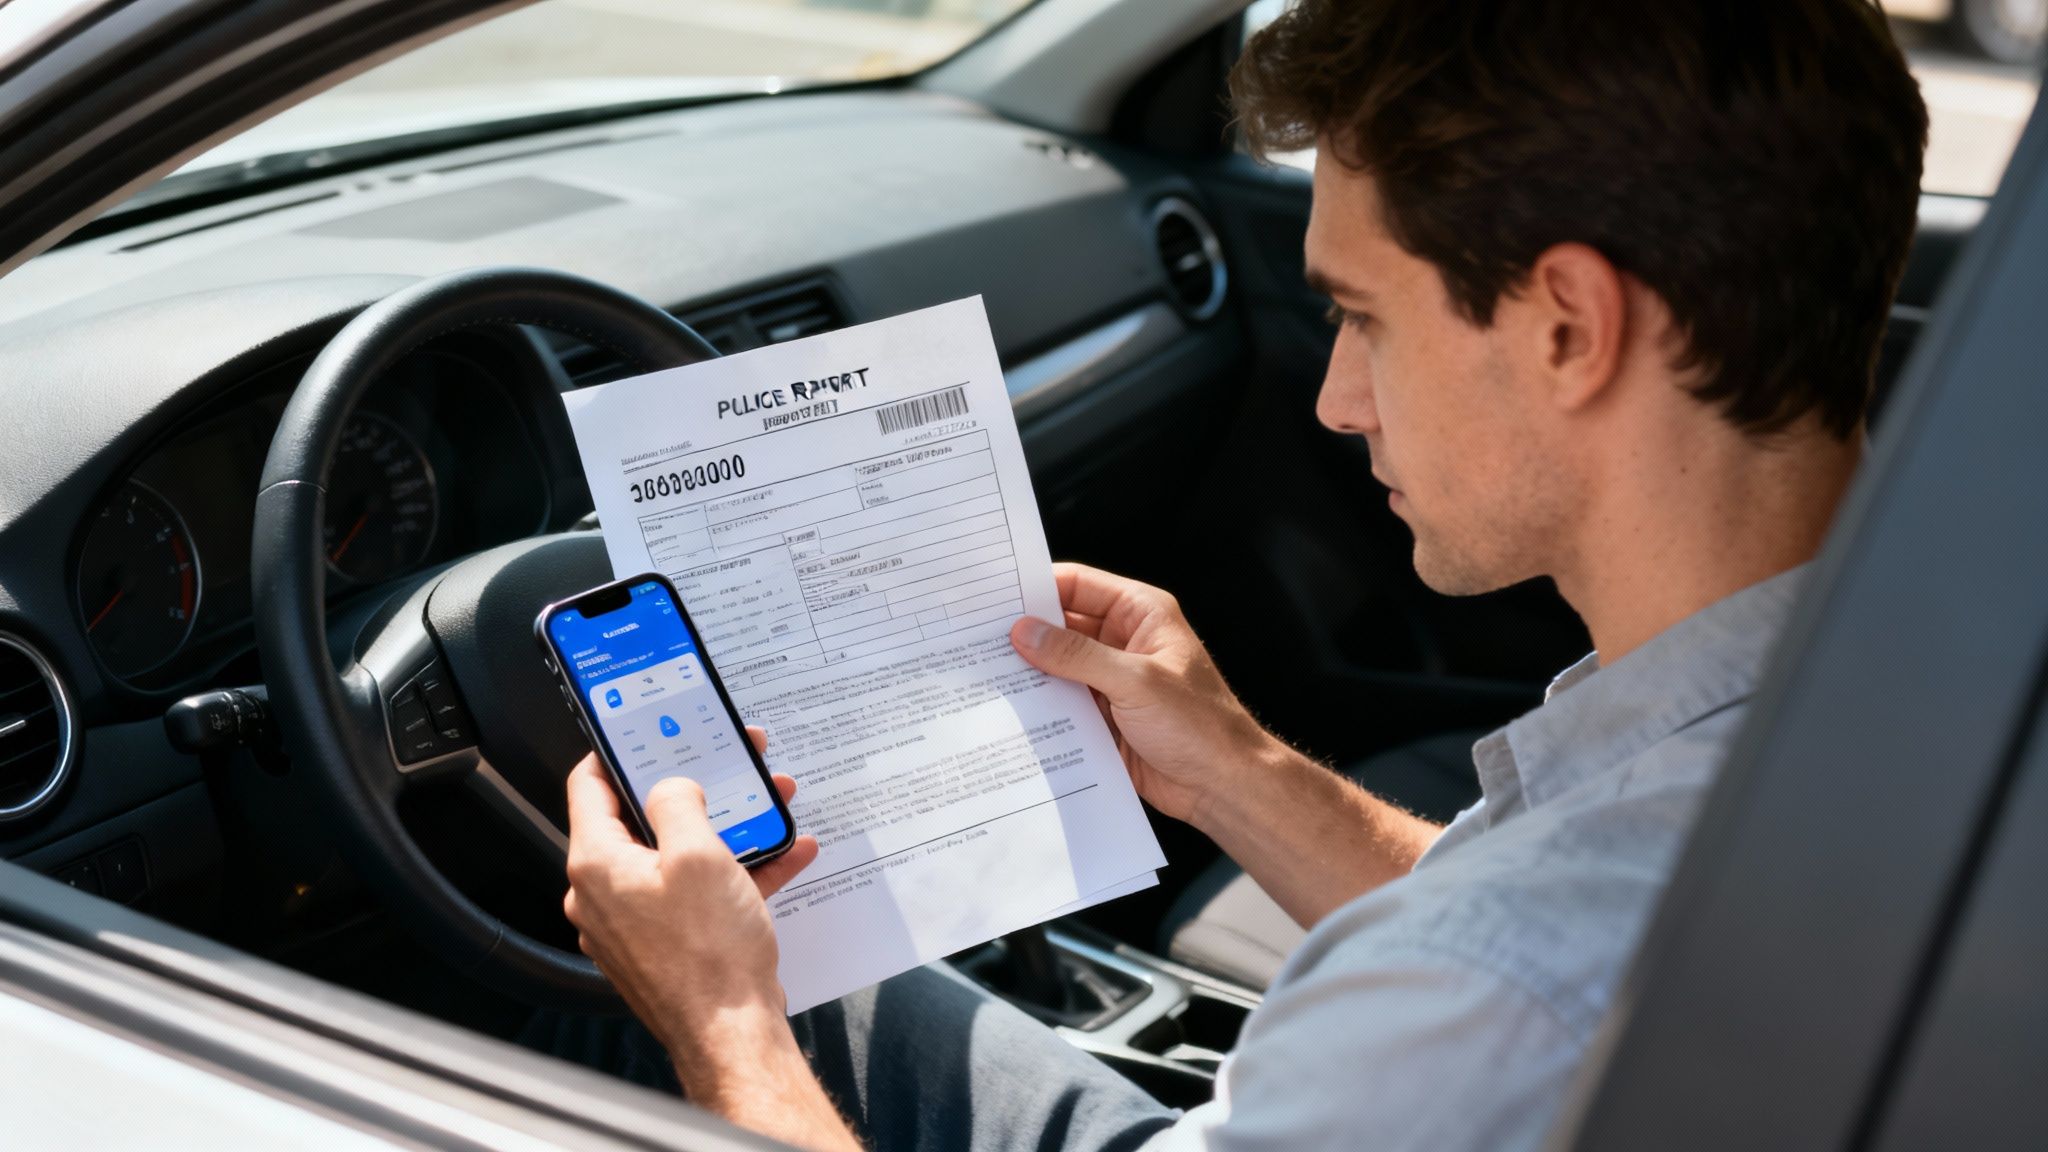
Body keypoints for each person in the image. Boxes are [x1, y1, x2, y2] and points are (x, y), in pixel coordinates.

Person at [542, 1, 1929, 1148]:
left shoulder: (1482, 992)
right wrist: (1230, 770)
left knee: (607, 1004)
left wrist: (722, 1027)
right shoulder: (1916, 673)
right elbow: (1516, 934)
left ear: (1570, 325)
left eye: (1363, 316)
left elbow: (1501, 974)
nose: (1337, 399)